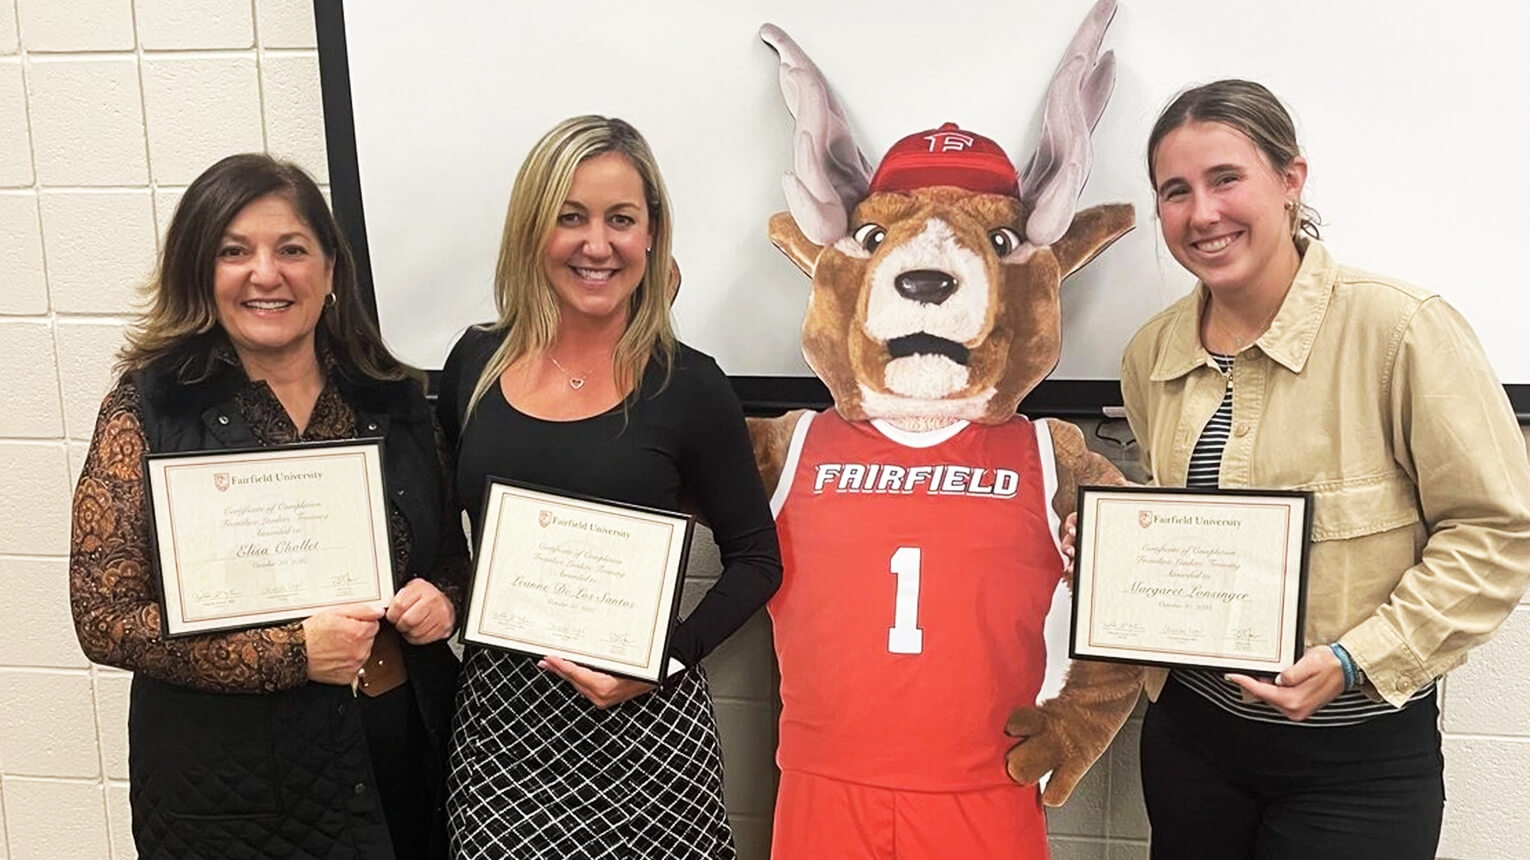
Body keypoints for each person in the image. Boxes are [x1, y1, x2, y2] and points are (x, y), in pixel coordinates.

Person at [1113, 79, 1530, 859]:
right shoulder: (1151, 354)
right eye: (1176, 191)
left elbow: (1495, 529)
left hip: (1358, 767)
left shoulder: (1402, 330)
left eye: (1225, 178)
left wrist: (1354, 660)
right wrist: (1115, 546)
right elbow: (1185, 523)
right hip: (1190, 746)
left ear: (1290, 180)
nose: (1201, 213)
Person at [69, 153, 465, 859]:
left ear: (330, 271)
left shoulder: (394, 401)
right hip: (227, 796)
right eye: (234, 252)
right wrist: (290, 654)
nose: (266, 274)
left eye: (291, 249)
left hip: (403, 764)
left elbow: (447, 562)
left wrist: (443, 601)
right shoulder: (150, 410)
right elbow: (105, 620)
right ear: (202, 272)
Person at [437, 115, 782, 859]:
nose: (598, 244)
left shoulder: (690, 386)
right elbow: (441, 539)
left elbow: (759, 559)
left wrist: (667, 659)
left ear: (652, 234)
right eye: (571, 218)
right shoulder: (473, 364)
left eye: (621, 219)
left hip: (648, 744)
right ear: (533, 231)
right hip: (502, 737)